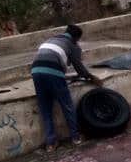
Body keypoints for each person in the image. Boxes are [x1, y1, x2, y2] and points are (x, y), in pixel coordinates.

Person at [31, 24, 102, 152]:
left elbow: (48, 60)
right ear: (76, 37)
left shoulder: (50, 40)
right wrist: (91, 77)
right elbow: (79, 67)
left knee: (45, 108)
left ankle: (51, 144)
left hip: (36, 71)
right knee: (67, 105)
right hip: (53, 72)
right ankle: (76, 137)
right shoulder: (73, 44)